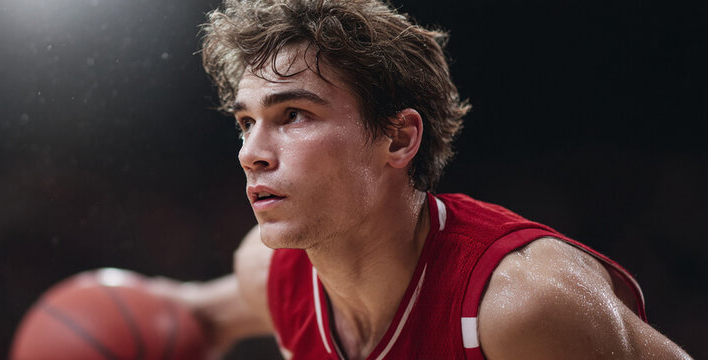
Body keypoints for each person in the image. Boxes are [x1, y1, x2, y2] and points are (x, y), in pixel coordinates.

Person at [120, 0, 693, 358]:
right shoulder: (274, 270)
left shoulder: (520, 307)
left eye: (293, 114)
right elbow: (192, 319)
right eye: (246, 122)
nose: (251, 153)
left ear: (397, 140)